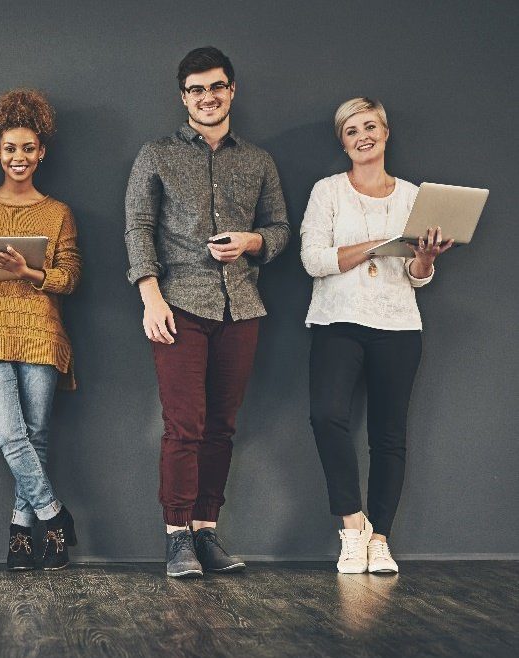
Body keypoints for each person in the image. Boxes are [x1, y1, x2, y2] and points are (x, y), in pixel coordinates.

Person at [124, 46, 289, 577]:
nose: (208, 97)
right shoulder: (157, 154)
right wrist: (151, 296)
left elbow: (281, 230)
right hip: (179, 306)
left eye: (216, 86)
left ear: (231, 90)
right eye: (196, 89)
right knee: (184, 426)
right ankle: (177, 538)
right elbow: (137, 229)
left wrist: (252, 241)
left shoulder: (258, 160)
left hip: (241, 307)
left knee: (222, 427)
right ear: (183, 97)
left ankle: (205, 531)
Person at [301, 97, 451, 575]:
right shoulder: (327, 191)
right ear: (342, 142)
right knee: (326, 415)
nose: (362, 135)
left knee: (390, 436)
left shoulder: (412, 196)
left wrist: (425, 259)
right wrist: (377, 246)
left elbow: (415, 275)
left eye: (370, 126)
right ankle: (352, 527)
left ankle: (380, 537)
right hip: (337, 321)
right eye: (351, 130)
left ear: (385, 133)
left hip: (398, 325)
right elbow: (314, 260)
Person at [0, 89, 82, 571]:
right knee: (11, 434)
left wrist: (28, 271)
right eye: (10, 148)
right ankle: (53, 515)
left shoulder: (58, 212)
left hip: (43, 331)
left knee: (38, 434)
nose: (19, 157)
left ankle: (21, 538)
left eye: (28, 148)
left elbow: (70, 278)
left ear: (41, 152)